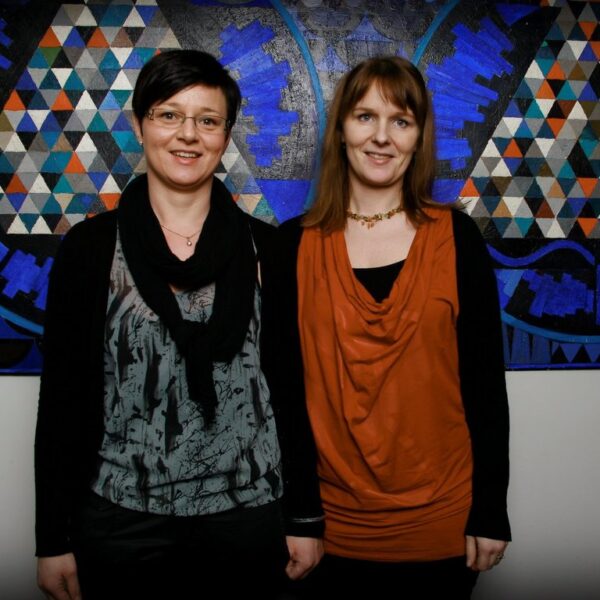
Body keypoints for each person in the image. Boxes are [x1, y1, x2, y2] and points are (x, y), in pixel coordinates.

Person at [34, 49, 323, 600]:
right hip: (121, 522)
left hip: (248, 517)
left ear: (225, 135)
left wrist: (304, 518)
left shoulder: (269, 248)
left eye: (207, 120)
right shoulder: (91, 249)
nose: (188, 134)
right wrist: (52, 538)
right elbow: (63, 400)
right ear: (140, 124)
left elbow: (290, 389)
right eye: (169, 115)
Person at [277, 56, 511, 598]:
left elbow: (484, 388)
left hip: (443, 522)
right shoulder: (291, 246)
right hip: (329, 528)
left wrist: (490, 509)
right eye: (365, 117)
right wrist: (300, 516)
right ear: (340, 130)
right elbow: (284, 395)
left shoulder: (457, 238)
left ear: (418, 137)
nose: (381, 137)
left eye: (400, 121)